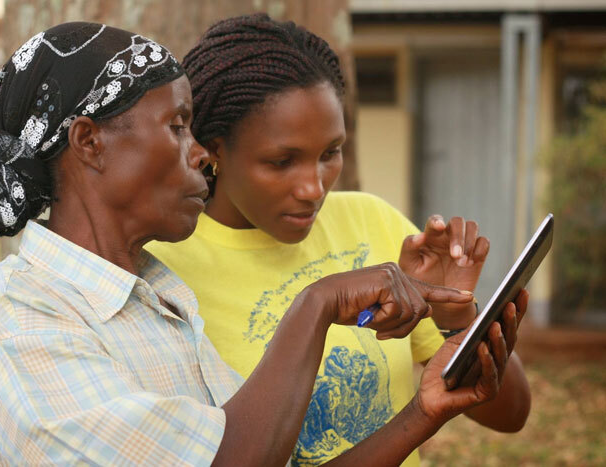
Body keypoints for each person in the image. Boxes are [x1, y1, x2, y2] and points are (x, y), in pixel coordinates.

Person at [0, 22, 523, 466]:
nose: (198, 154)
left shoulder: (160, 298)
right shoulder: (18, 311)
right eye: (177, 127)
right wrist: (317, 304)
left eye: (330, 152)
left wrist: (424, 407)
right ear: (89, 142)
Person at [145, 13, 531, 466]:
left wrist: (459, 315)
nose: (314, 188)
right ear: (212, 150)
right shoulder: (163, 271)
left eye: (330, 153)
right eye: (282, 161)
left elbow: (512, 414)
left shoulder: (371, 220)